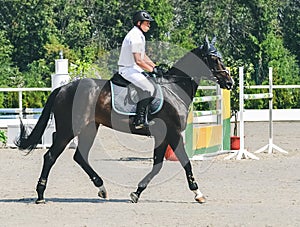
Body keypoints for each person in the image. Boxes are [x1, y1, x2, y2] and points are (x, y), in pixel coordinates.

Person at [118, 10, 161, 129]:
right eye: (147, 23)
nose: (149, 25)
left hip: (133, 69)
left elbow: (144, 56)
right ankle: (139, 120)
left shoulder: (139, 35)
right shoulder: (135, 36)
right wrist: (152, 70)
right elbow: (138, 60)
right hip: (127, 69)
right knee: (149, 88)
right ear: (139, 23)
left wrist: (155, 66)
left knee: (152, 83)